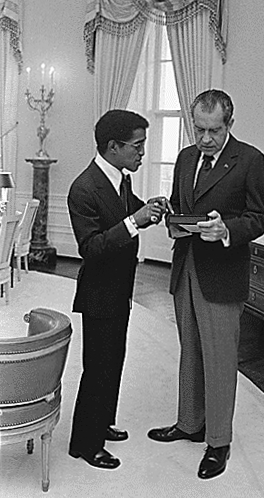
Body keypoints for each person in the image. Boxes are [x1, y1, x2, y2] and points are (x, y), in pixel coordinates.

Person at [147, 89, 264, 480]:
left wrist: (226, 230)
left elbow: (259, 217)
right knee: (190, 352)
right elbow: (180, 201)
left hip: (222, 274)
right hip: (186, 269)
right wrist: (170, 214)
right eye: (198, 129)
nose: (204, 139)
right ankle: (189, 422)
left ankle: (218, 441)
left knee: (219, 360)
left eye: (213, 131)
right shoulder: (186, 157)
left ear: (229, 125)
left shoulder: (250, 160)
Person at [68, 109, 167, 470]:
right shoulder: (83, 187)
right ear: (114, 146)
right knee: (97, 367)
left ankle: (102, 422)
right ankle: (86, 444)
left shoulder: (119, 178)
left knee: (114, 361)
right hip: (98, 293)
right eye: (137, 146)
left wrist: (149, 208)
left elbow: (125, 210)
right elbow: (91, 247)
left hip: (120, 290)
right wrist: (133, 222)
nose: (142, 153)